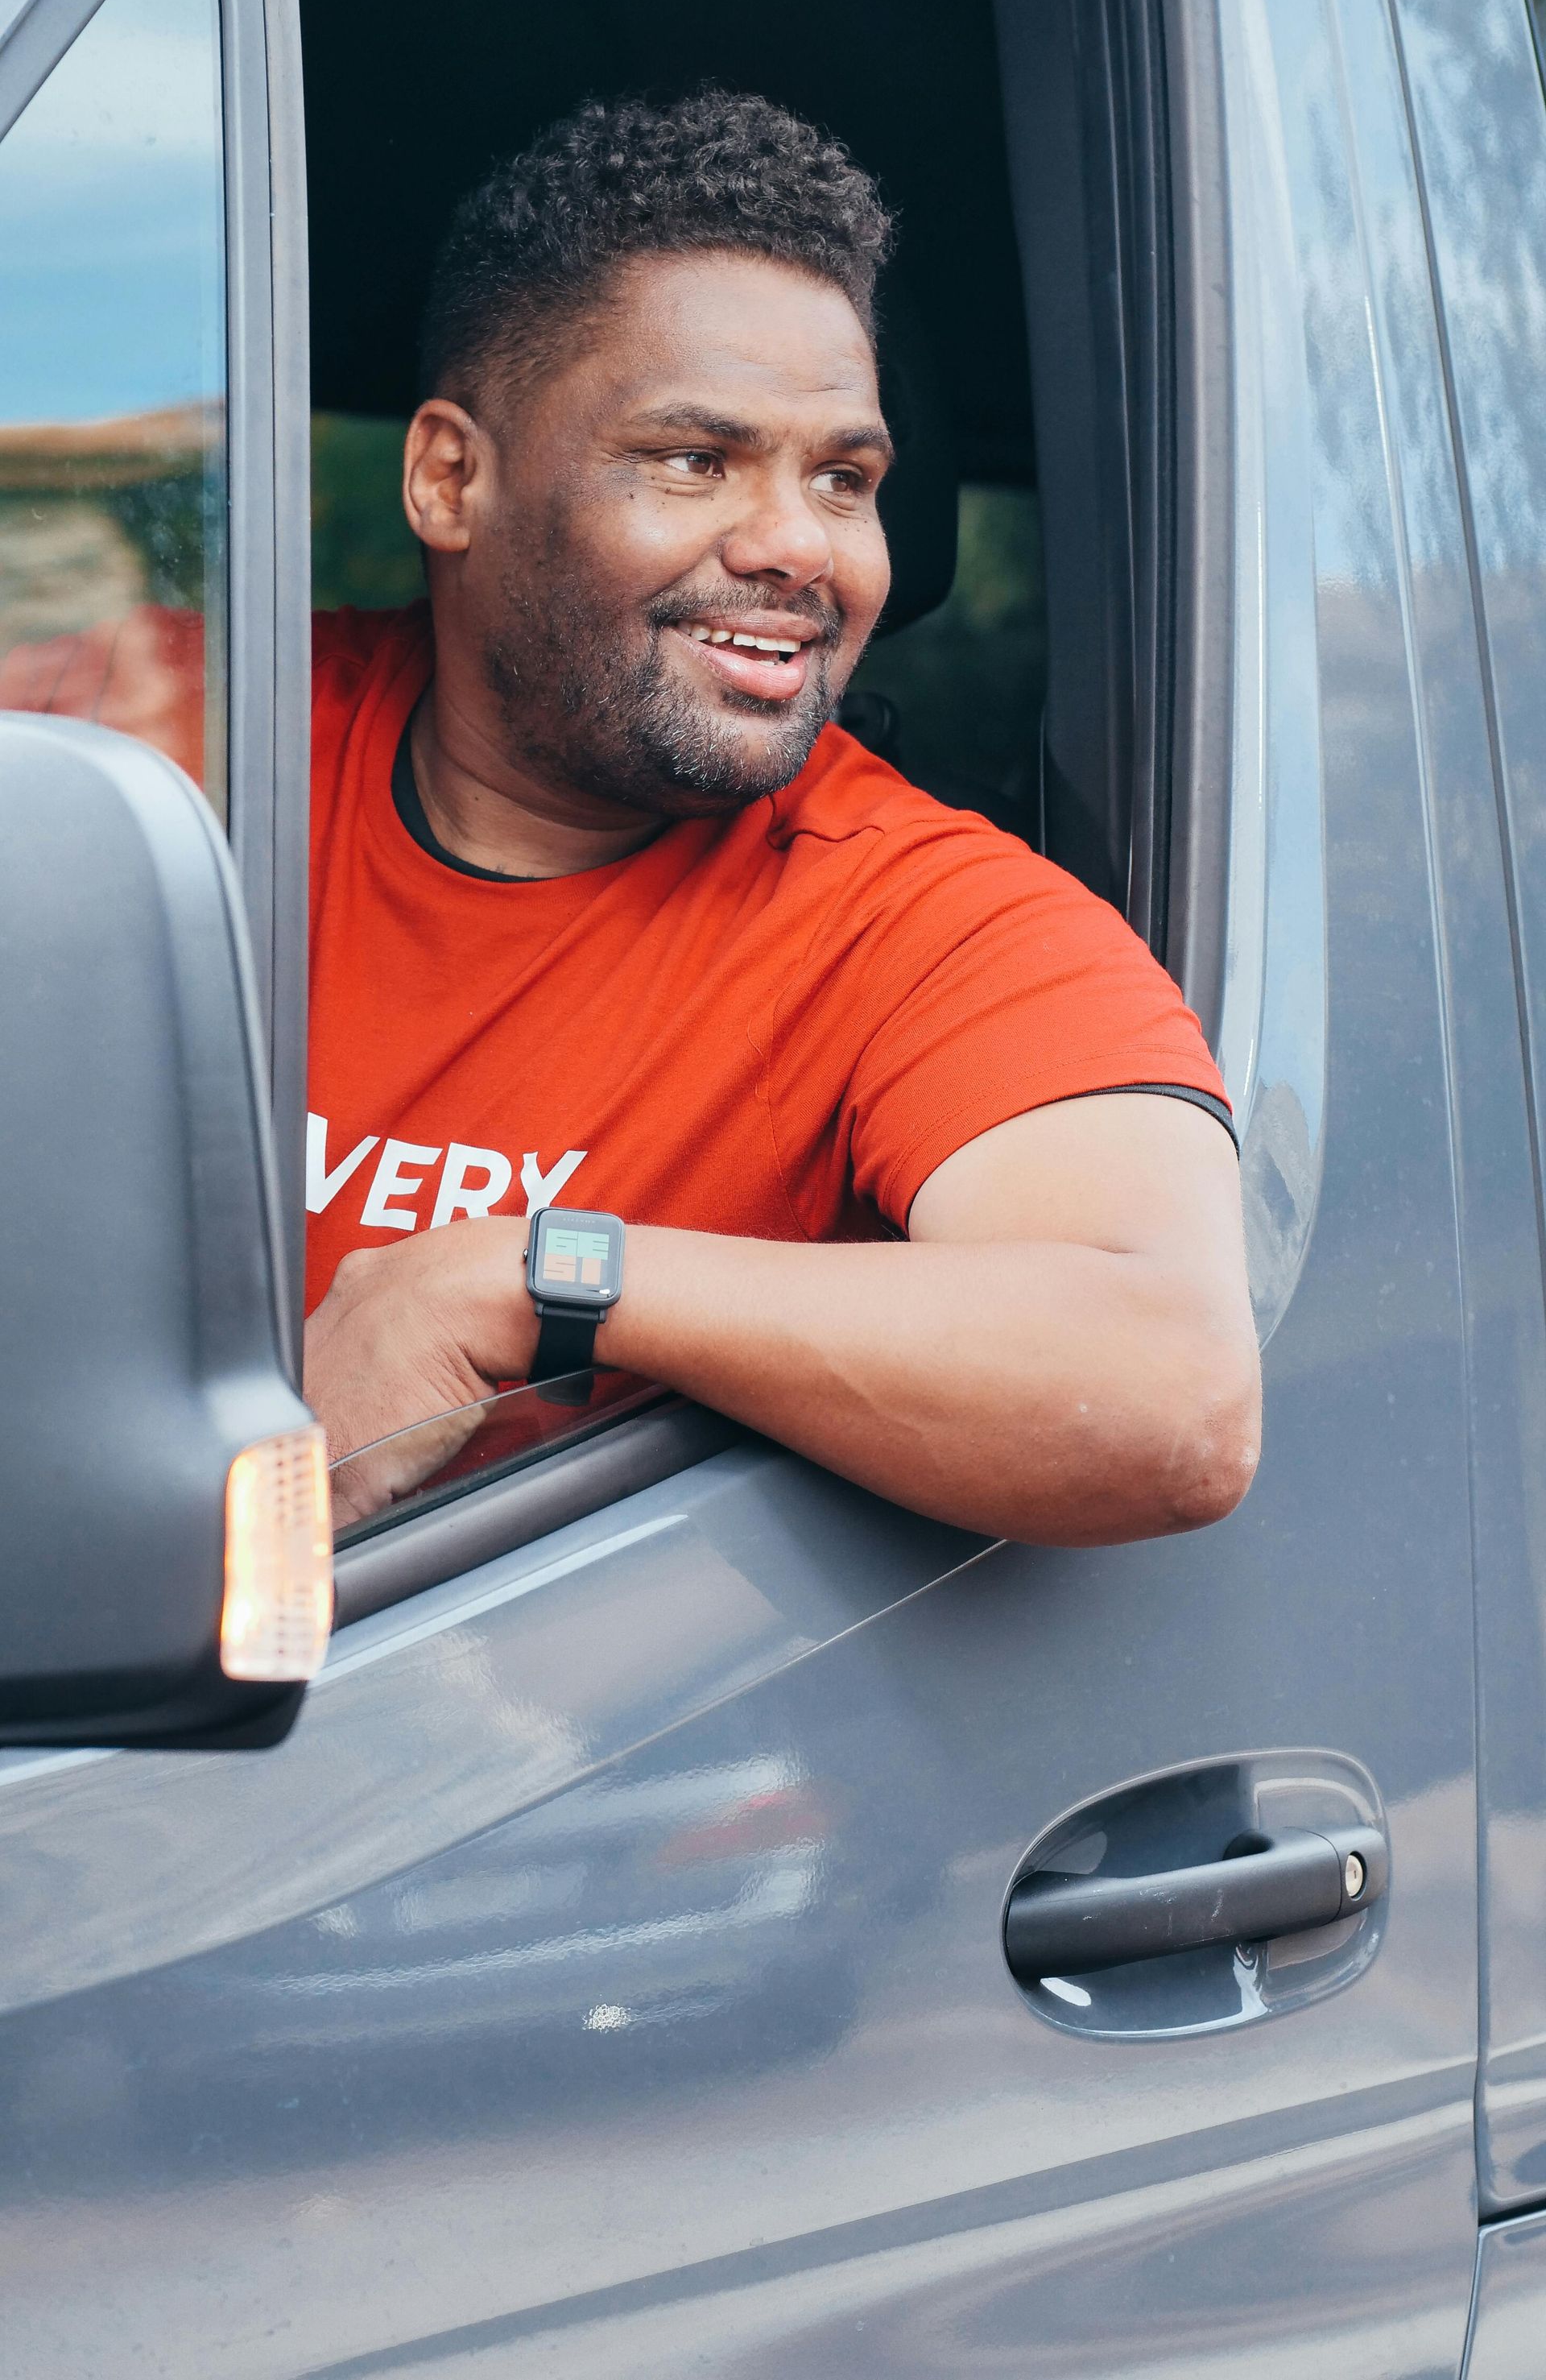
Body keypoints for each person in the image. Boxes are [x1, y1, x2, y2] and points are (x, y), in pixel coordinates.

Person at [6, 89, 1262, 1542]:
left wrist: (523, 1278)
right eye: (694, 458)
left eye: (844, 479)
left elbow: (1173, 1387)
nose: (798, 546)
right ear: (449, 478)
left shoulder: (918, 916)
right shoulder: (169, 722)